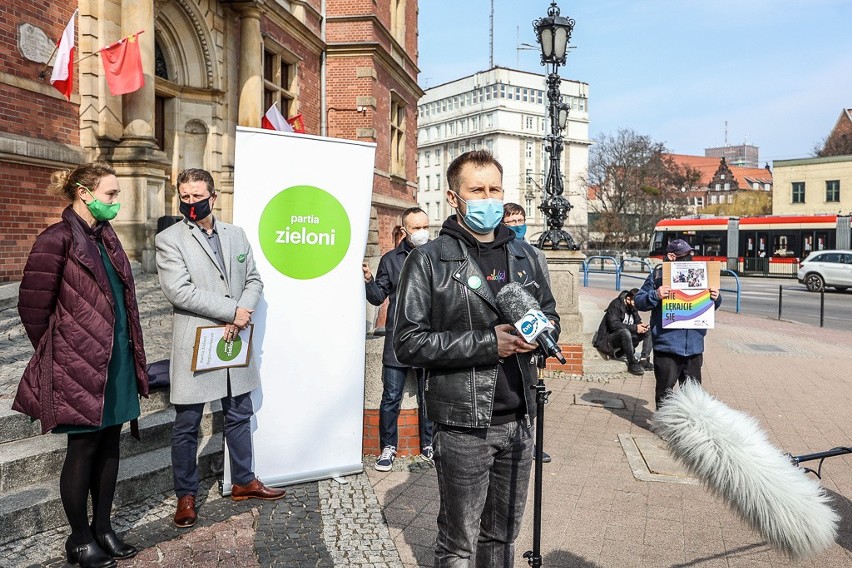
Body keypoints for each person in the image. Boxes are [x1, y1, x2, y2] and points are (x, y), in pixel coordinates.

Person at [394, 150, 559, 567]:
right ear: (454, 198)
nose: (489, 198)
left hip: (520, 420)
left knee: (502, 536)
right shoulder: (428, 260)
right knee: (459, 542)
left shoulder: (527, 257)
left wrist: (540, 336)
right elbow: (408, 342)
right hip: (463, 426)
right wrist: (489, 344)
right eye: (477, 190)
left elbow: (551, 316)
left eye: (495, 189)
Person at [13, 163, 149, 568]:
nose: (116, 202)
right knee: (84, 447)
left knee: (110, 443)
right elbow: (32, 306)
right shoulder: (55, 239)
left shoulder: (106, 237)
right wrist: (60, 351)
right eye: (110, 195)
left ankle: (103, 527)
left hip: (117, 360)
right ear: (84, 194)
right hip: (79, 364)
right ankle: (79, 538)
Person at [155, 168, 285, 529]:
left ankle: (244, 481)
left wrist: (240, 314)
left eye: (198, 196)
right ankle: (186, 495)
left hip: (233, 339)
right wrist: (233, 310)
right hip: (197, 341)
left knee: (239, 411)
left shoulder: (236, 234)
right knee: (187, 423)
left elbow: (254, 279)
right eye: (185, 196)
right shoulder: (170, 239)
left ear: (214, 197)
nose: (190, 202)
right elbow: (179, 291)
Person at [362, 207, 434, 471]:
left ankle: (429, 443)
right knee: (391, 396)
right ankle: (388, 447)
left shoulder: (437, 256)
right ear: (405, 231)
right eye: (416, 228)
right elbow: (377, 297)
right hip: (398, 340)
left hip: (429, 338)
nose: (422, 232)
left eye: (425, 226)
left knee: (429, 395)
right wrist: (369, 280)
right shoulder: (391, 259)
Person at [634, 239, 722, 409]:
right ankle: (664, 426)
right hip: (667, 346)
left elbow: (712, 305)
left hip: (694, 347)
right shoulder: (658, 275)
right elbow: (639, 302)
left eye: (690, 255)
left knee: (694, 396)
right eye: (684, 256)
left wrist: (716, 297)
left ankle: (690, 427)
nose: (689, 259)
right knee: (665, 393)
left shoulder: (701, 273)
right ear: (671, 256)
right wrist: (655, 294)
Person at [502, 202, 552, 463]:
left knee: (532, 392)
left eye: (520, 220)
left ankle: (530, 442)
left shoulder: (534, 255)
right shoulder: (500, 252)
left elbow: (544, 294)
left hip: (529, 333)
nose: (516, 225)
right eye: (511, 222)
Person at [592, 288, 653, 375]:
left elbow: (637, 322)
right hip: (608, 341)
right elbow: (613, 325)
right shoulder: (616, 304)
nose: (637, 305)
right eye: (635, 302)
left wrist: (642, 326)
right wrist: (635, 328)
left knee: (649, 331)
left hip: (625, 339)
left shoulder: (633, 307)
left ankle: (644, 360)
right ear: (628, 299)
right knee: (624, 332)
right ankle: (632, 363)